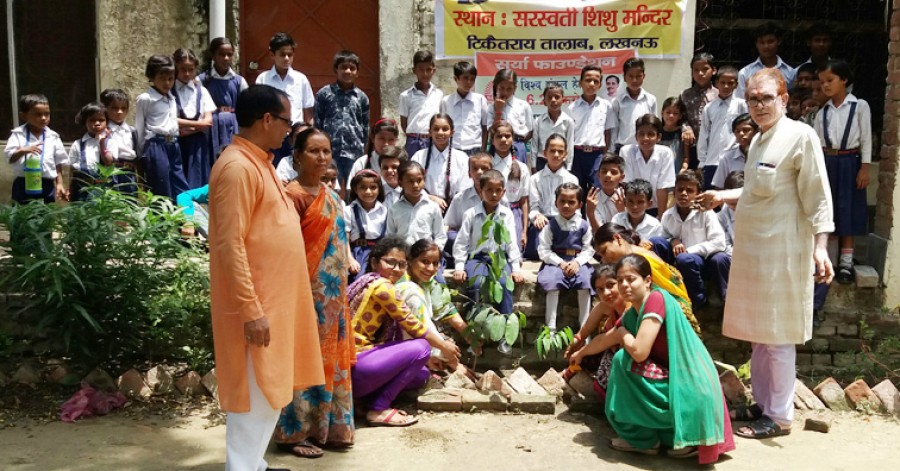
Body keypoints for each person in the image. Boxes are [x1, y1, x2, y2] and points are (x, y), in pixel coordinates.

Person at [697, 68, 834, 440]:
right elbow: (756, 190)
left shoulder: (801, 136)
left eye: (766, 98)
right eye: (753, 99)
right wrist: (721, 196)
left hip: (785, 253)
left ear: (784, 99)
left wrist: (821, 247)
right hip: (754, 251)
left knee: (778, 334)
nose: (759, 105)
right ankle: (762, 403)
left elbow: (819, 197)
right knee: (759, 334)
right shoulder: (758, 140)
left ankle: (781, 416)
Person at [208, 84, 323, 471]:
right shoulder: (238, 168)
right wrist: (250, 310)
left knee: (270, 392)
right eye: (288, 122)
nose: (290, 131)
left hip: (275, 304)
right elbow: (229, 244)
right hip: (258, 309)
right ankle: (241, 467)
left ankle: (253, 464)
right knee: (255, 396)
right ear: (267, 119)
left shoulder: (260, 163)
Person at [601, 254, 734, 463]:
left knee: (621, 360)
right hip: (681, 383)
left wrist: (622, 335)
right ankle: (670, 437)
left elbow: (639, 352)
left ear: (647, 280)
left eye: (631, 279)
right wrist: (579, 353)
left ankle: (646, 439)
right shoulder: (633, 312)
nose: (624, 285)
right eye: (620, 280)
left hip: (692, 388)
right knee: (621, 359)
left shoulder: (656, 299)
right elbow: (606, 338)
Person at [274, 127, 354, 457]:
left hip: (334, 298)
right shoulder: (291, 196)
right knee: (303, 358)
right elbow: (285, 247)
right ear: (297, 156)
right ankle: (295, 433)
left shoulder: (332, 195)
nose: (322, 157)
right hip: (304, 293)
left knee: (330, 360)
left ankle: (330, 428)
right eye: (314, 151)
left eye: (326, 151)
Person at [349, 237, 461, 426]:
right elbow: (414, 326)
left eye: (401, 264)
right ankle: (378, 408)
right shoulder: (384, 286)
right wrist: (445, 348)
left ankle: (362, 401)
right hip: (356, 367)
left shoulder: (367, 281)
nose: (396, 269)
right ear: (374, 262)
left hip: (350, 367)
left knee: (421, 375)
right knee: (422, 348)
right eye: (390, 262)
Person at [814, 59, 871, 284]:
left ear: (844, 79)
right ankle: (829, 261)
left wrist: (865, 167)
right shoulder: (822, 112)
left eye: (830, 80)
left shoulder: (859, 106)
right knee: (829, 209)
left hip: (850, 161)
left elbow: (866, 138)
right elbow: (817, 144)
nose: (825, 86)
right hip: (828, 162)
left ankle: (846, 262)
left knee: (849, 209)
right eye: (822, 82)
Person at [592, 223, 701, 334]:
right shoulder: (634, 256)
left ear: (617, 238)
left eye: (604, 251)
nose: (604, 260)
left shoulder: (641, 260)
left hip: (673, 312)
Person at [452, 169, 525, 317]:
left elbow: (511, 242)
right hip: (477, 258)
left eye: (498, 190)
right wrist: (459, 266)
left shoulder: (506, 214)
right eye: (489, 190)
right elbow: (461, 242)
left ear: (504, 192)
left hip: (499, 258)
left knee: (504, 284)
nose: (494, 195)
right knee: (476, 284)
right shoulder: (471, 214)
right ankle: (474, 324)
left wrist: (516, 268)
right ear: (481, 190)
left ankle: (504, 323)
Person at [651, 170, 730, 307]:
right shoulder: (668, 215)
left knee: (710, 258)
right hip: (678, 261)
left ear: (698, 194)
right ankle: (661, 287)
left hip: (702, 260)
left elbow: (719, 242)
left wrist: (689, 251)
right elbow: (664, 237)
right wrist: (673, 241)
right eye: (680, 189)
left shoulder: (706, 214)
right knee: (655, 242)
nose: (683, 194)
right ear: (674, 193)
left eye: (689, 190)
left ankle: (700, 300)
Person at [396, 239, 472, 365]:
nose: (430, 268)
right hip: (394, 340)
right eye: (425, 262)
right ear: (410, 260)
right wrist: (449, 357)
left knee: (445, 341)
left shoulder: (428, 281)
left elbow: (444, 307)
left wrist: (468, 334)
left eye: (435, 263)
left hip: (414, 337)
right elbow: (421, 323)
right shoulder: (405, 286)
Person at [538, 183, 595, 332]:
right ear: (555, 203)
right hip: (556, 261)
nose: (566, 205)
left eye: (571, 202)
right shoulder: (551, 225)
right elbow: (544, 249)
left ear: (579, 205)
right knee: (552, 282)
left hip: (578, 261)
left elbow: (588, 248)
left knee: (585, 282)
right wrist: (560, 263)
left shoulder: (584, 225)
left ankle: (584, 329)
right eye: (562, 201)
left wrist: (577, 262)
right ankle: (550, 328)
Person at [563, 265, 626, 397]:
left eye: (610, 285)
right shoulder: (605, 306)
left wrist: (581, 352)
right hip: (610, 350)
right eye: (600, 290)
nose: (606, 293)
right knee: (582, 357)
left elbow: (607, 339)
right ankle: (565, 376)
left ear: (621, 282)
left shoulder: (631, 307)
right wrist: (575, 342)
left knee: (589, 355)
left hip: (629, 358)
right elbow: (585, 330)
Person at [135, 54, 190, 199]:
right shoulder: (146, 99)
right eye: (162, 78)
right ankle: (162, 214)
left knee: (180, 186)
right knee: (161, 187)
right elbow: (139, 128)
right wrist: (140, 155)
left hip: (174, 145)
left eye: (171, 79)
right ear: (152, 77)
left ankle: (184, 213)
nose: (167, 83)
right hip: (156, 146)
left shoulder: (171, 98)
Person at [314, 50, 370, 184]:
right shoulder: (324, 94)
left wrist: (364, 151)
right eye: (344, 67)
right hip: (330, 152)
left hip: (354, 151)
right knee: (329, 186)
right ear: (336, 69)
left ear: (357, 72)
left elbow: (365, 126)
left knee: (355, 186)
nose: (348, 71)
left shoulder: (362, 97)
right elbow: (317, 123)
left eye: (352, 68)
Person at [526, 133, 578, 259]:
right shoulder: (535, 179)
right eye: (552, 151)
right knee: (536, 252)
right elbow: (534, 207)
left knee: (567, 252)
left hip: (564, 222)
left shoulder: (572, 179)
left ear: (565, 154)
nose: (556, 154)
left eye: (560, 151)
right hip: (543, 222)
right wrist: (537, 216)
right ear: (545, 153)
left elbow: (575, 210)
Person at [697, 65, 748, 189]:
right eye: (723, 82)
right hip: (712, 161)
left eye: (730, 83)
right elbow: (704, 134)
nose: (726, 86)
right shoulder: (709, 108)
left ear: (736, 85)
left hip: (734, 160)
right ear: (716, 83)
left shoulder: (741, 105)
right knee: (711, 196)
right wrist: (702, 162)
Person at [173, 48, 216, 189]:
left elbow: (208, 122)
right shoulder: (170, 92)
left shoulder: (202, 91)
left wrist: (187, 130)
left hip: (198, 146)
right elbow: (172, 120)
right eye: (182, 69)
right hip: (178, 145)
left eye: (190, 70)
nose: (187, 74)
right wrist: (199, 126)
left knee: (197, 182)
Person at [198, 37, 248, 156]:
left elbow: (246, 106)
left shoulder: (239, 81)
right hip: (211, 125)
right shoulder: (202, 80)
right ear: (213, 56)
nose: (226, 58)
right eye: (221, 54)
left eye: (229, 55)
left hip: (233, 125)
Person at [567, 66, 613, 192]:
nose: (591, 84)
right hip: (577, 154)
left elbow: (607, 132)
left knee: (596, 190)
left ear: (600, 85)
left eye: (595, 81)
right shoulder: (572, 108)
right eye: (588, 80)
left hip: (597, 155)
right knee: (577, 190)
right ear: (580, 83)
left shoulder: (606, 106)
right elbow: (569, 135)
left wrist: (605, 155)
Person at [411, 113, 468, 212]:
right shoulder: (419, 156)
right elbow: (411, 184)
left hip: (454, 210)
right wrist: (430, 198)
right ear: (430, 132)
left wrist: (450, 207)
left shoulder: (462, 158)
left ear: (452, 132)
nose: (440, 133)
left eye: (445, 129)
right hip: (423, 208)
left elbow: (465, 189)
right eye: (436, 129)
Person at [621, 114, 676, 217]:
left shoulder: (665, 153)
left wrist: (660, 220)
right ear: (636, 137)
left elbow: (662, 189)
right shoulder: (626, 152)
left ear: (658, 137)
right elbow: (628, 187)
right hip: (633, 208)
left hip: (656, 208)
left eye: (650, 134)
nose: (645, 138)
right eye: (641, 134)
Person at [255, 32, 315, 126]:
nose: (287, 58)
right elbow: (258, 110)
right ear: (272, 55)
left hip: (295, 131)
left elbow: (308, 112)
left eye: (289, 54)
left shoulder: (301, 79)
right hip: (271, 131)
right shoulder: (263, 79)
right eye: (282, 54)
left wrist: (309, 131)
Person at [385, 160, 447, 248]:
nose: (416, 185)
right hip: (403, 254)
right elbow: (390, 237)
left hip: (425, 254)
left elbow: (440, 236)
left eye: (419, 180)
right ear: (400, 183)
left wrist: (435, 252)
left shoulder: (433, 207)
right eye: (410, 181)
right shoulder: (394, 209)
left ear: (424, 181)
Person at [490, 120, 531, 249]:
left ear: (512, 139)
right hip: (490, 213)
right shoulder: (487, 165)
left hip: (514, 213)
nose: (503, 140)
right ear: (492, 141)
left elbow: (524, 201)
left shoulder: (522, 167)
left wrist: (524, 232)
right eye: (499, 136)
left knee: (514, 250)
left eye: (507, 136)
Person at [445, 152, 494, 256]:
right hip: (466, 246)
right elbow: (450, 226)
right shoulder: (460, 198)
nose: (479, 172)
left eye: (484, 168)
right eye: (475, 169)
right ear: (469, 173)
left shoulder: (500, 198)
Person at [67, 102, 116, 201]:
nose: (97, 123)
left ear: (107, 122)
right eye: (92, 120)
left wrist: (102, 143)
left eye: (101, 120)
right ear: (85, 122)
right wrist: (69, 188)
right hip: (80, 189)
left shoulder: (111, 143)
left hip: (103, 189)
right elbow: (72, 169)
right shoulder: (77, 144)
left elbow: (108, 162)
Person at [441, 61, 491, 156]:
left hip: (475, 148)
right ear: (456, 79)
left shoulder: (480, 100)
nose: (469, 82)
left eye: (472, 79)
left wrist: (483, 151)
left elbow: (485, 128)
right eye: (465, 78)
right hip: (453, 148)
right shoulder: (446, 101)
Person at [345, 169, 386, 283]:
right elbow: (344, 238)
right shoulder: (349, 210)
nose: (368, 192)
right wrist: (349, 259)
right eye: (363, 187)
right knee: (358, 282)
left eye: (373, 187)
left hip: (379, 254)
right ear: (355, 189)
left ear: (379, 189)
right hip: (358, 254)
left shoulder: (384, 210)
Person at [400, 50, 443, 157]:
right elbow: (404, 123)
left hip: (432, 140)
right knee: (412, 166)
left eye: (428, 69)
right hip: (413, 141)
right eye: (421, 70)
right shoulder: (406, 95)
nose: (425, 74)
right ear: (414, 71)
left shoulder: (439, 94)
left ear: (434, 70)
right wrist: (414, 136)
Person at [736, 23, 796, 99]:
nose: (766, 46)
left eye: (770, 42)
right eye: (762, 42)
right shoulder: (745, 73)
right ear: (756, 44)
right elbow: (740, 101)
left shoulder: (790, 73)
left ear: (779, 41)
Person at [609, 58, 657, 151]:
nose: (634, 80)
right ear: (624, 77)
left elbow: (654, 126)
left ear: (643, 76)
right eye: (630, 76)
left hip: (645, 148)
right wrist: (612, 150)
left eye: (638, 76)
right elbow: (614, 128)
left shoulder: (651, 100)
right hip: (623, 148)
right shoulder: (617, 101)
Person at [100, 88, 140, 194]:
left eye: (123, 108)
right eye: (114, 108)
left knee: (130, 200)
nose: (119, 112)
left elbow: (137, 156)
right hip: (109, 173)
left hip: (129, 174)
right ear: (105, 109)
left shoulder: (132, 131)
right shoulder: (103, 131)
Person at [490, 69, 534, 163]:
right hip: (498, 147)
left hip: (518, 146)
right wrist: (498, 111)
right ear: (496, 86)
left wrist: (518, 143)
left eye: (509, 88)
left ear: (515, 88)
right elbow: (491, 131)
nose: (505, 92)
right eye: (501, 88)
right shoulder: (491, 107)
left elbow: (530, 130)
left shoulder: (523, 105)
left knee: (518, 171)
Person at [531, 82, 574, 172]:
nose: (553, 100)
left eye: (557, 97)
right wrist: (533, 166)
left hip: (561, 162)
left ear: (563, 100)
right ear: (544, 102)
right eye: (549, 97)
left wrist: (569, 167)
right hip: (542, 162)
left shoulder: (568, 121)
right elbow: (534, 146)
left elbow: (570, 146)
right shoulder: (538, 121)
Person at [346, 118, 400, 188]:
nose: (386, 144)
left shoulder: (401, 162)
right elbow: (351, 189)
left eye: (391, 140)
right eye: (382, 139)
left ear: (396, 140)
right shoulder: (362, 163)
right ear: (372, 138)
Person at [710, 114, 757, 189]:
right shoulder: (727, 158)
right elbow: (719, 187)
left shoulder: (764, 154)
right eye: (737, 131)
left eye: (746, 130)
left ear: (756, 132)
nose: (741, 134)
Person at [586, 153, 626, 232]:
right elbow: (597, 233)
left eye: (613, 172)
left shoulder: (628, 197)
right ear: (598, 175)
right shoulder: (593, 200)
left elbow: (631, 230)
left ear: (621, 177)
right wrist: (590, 214)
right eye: (604, 171)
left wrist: (622, 212)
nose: (608, 175)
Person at [659, 97, 690, 175]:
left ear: (680, 116)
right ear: (662, 113)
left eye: (675, 113)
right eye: (668, 112)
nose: (671, 116)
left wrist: (683, 169)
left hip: (677, 174)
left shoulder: (683, 133)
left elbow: (686, 157)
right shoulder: (657, 133)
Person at [378, 145, 406, 210]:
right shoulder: (376, 192)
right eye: (385, 167)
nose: (389, 171)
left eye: (394, 167)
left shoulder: (411, 191)